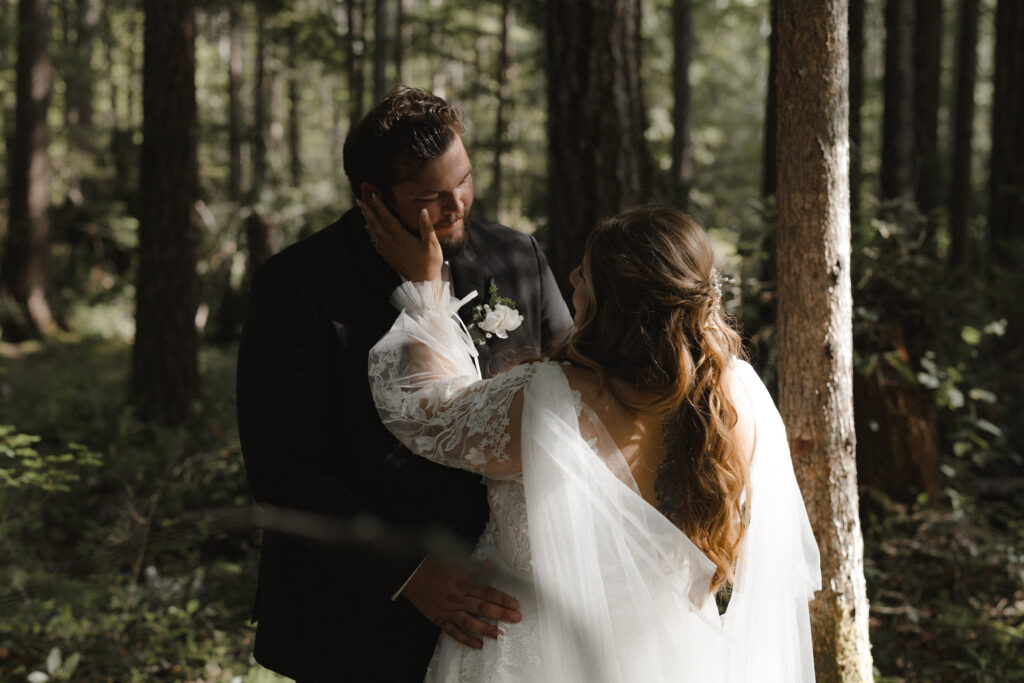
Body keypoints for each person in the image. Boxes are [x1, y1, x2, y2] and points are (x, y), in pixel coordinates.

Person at [364, 204, 822, 681]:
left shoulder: (550, 398)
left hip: (530, 655)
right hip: (678, 658)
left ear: (612, 305)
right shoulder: (737, 397)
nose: (571, 279)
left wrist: (426, 290)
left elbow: (427, 413)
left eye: (585, 274)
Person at [237, 87, 572, 681]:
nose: (457, 206)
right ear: (371, 194)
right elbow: (282, 469)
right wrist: (411, 572)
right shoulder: (296, 286)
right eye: (430, 198)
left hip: (503, 600)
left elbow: (572, 401)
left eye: (464, 180)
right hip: (357, 612)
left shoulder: (515, 255)